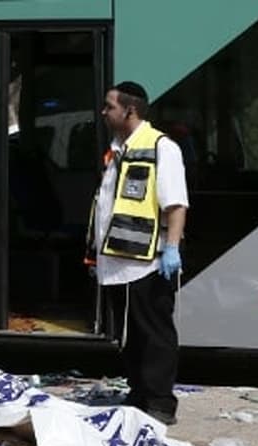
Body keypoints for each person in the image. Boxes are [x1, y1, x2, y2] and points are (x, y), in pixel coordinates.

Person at [86, 81, 189, 425]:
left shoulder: (162, 148)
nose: (103, 112)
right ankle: (140, 392)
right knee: (129, 336)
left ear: (129, 110)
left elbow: (175, 204)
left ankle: (160, 401)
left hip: (148, 262)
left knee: (154, 334)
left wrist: (171, 248)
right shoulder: (117, 149)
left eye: (109, 106)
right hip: (117, 263)